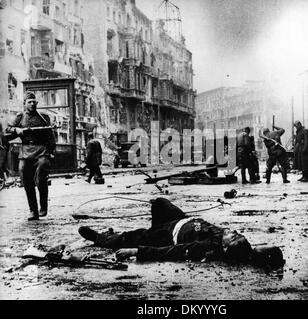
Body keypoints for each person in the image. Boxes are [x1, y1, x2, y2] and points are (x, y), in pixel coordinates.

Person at [78, 198, 285, 269]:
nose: (234, 232)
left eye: (233, 237)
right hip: (181, 218)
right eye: (238, 234)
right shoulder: (240, 246)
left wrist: (136, 252)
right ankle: (143, 230)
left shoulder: (209, 247)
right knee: (159, 203)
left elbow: (173, 251)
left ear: (225, 247)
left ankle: (101, 239)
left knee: (133, 236)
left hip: (168, 233)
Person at [5, 91, 56, 221]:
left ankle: (43, 207)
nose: (32, 104)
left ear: (37, 103)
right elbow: (8, 130)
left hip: (41, 150)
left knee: (41, 176)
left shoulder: (44, 117)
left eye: (34, 102)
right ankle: (33, 211)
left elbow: (51, 136)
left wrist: (50, 152)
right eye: (29, 102)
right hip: (26, 151)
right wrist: (17, 130)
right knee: (26, 180)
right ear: (24, 104)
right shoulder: (20, 117)